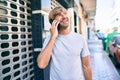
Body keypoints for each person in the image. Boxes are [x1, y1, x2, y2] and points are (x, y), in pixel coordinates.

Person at [37, 7, 92, 80]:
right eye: (59, 15)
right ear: (53, 21)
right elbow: (41, 64)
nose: (64, 16)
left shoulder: (80, 39)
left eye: (65, 13)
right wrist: (53, 37)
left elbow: (86, 66)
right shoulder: (49, 40)